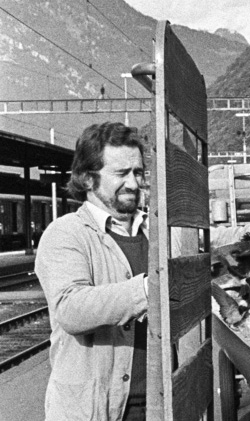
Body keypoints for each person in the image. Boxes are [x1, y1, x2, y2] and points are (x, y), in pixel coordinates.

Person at [35, 122, 149, 421]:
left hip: (160, 406)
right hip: (95, 411)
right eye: (121, 174)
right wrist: (150, 288)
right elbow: (71, 309)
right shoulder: (65, 234)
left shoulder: (158, 231)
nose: (134, 184)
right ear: (87, 179)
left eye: (137, 172)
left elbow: (218, 241)